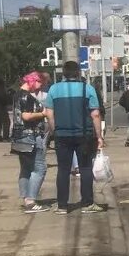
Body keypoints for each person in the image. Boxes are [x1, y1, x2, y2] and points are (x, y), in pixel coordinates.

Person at [44, 60, 105, 214]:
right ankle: (87, 203)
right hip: (84, 136)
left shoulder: (53, 89)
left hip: (62, 135)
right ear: (78, 73)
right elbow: (95, 114)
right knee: (85, 168)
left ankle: (62, 205)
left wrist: (54, 131)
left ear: (63, 73)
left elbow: (49, 114)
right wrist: (99, 136)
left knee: (63, 169)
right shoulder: (87, 89)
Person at [10, 72, 49, 212]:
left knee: (26, 168)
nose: (40, 87)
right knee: (40, 168)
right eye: (39, 83)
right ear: (33, 80)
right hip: (31, 136)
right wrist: (43, 114)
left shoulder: (17, 95)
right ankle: (31, 201)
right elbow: (26, 116)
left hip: (19, 136)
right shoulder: (27, 96)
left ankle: (26, 198)